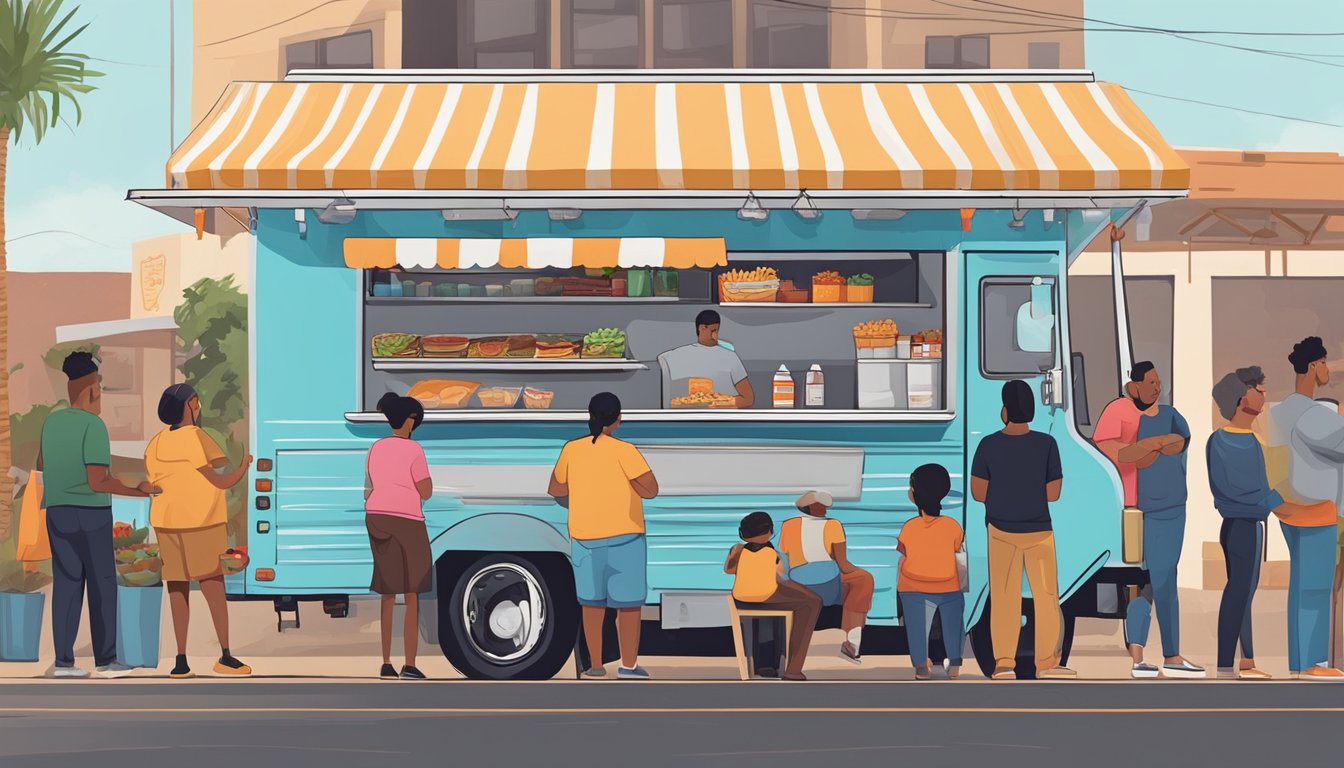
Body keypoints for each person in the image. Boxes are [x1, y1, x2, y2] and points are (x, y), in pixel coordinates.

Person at [37, 352, 157, 678]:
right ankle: (106, 660)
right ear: (91, 390)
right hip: (92, 514)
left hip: (58, 512)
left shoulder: (52, 422)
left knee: (66, 585)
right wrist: (139, 490)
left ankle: (63, 663)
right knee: (102, 585)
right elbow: (97, 480)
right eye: (100, 391)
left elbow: (42, 465)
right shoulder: (94, 425)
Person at [1093, 362, 1204, 679]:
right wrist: (1154, 444)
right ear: (1134, 387)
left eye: (1159, 381)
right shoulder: (1118, 410)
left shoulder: (1171, 414)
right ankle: (1167, 655)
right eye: (1151, 382)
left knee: (1154, 583)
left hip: (1172, 507)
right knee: (1150, 581)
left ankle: (1145, 656)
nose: (1157, 387)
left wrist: (1148, 446)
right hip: (1136, 509)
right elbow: (1122, 454)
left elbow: (1178, 444)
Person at [145, 384, 254, 679]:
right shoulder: (195, 437)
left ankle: (181, 660)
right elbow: (220, 481)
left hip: (166, 522)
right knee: (212, 587)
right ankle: (225, 656)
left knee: (177, 589)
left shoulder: (155, 442)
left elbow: (156, 483)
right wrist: (244, 466)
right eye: (196, 400)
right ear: (189, 405)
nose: (199, 404)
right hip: (201, 521)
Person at [548, 392, 659, 680]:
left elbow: (557, 490)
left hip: (585, 539)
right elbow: (651, 489)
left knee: (592, 605)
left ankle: (595, 666)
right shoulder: (625, 451)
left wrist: (584, 498)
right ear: (618, 419)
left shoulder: (572, 449)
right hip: (625, 538)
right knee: (629, 607)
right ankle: (629, 666)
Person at [970, 379, 1075, 680]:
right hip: (1039, 531)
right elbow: (1053, 493)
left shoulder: (988, 445)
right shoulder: (1047, 444)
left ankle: (1004, 663)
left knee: (1004, 598)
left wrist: (1004, 491)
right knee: (1046, 596)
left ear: (1005, 410)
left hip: (1001, 531)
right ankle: (1047, 664)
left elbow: (979, 492)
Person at [1207, 366, 1307, 680]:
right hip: (1241, 526)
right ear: (1241, 398)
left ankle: (1247, 660)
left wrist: (1275, 503)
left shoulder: (1247, 440)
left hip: (1248, 525)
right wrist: (1283, 506)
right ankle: (1226, 663)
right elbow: (1238, 491)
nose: (1264, 395)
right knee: (1238, 591)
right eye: (1258, 390)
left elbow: (1260, 490)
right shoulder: (1227, 442)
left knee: (1245, 590)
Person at [1268, 337, 1344, 680]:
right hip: (1317, 510)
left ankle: (1300, 662)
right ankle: (1315, 661)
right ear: (1313, 366)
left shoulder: (1280, 411)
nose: (1328, 369)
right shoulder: (1312, 414)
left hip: (1289, 508)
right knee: (1315, 587)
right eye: (1325, 362)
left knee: (1300, 585)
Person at [364, 393, 434, 680]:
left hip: (376, 517)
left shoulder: (375, 448)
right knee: (412, 592)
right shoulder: (414, 450)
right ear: (409, 421)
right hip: (406, 521)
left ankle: (385, 662)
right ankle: (409, 663)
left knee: (388, 593)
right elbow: (426, 491)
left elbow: (368, 489)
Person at [778, 490, 874, 663]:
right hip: (828, 584)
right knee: (864, 580)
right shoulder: (833, 525)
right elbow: (843, 564)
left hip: (797, 582)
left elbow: (784, 561)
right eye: (821, 505)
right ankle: (852, 642)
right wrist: (860, 571)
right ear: (810, 507)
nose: (825, 509)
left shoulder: (788, 525)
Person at [726, 511, 821, 681]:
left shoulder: (737, 549)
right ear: (770, 531)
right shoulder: (774, 554)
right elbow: (782, 576)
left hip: (741, 599)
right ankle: (793, 669)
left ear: (743, 533)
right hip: (767, 597)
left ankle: (768, 664)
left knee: (800, 600)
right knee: (812, 602)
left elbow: (729, 570)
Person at [898, 463, 965, 680]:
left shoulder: (909, 527)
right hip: (949, 586)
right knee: (953, 624)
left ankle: (921, 666)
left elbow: (903, 551)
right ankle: (954, 664)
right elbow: (958, 551)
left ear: (915, 493)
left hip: (913, 588)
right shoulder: (953, 526)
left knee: (917, 627)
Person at [657, 310, 755, 408]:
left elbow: (748, 399)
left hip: (723, 419)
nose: (715, 336)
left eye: (717, 331)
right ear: (701, 328)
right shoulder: (672, 358)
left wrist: (720, 404)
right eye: (712, 331)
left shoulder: (730, 357)